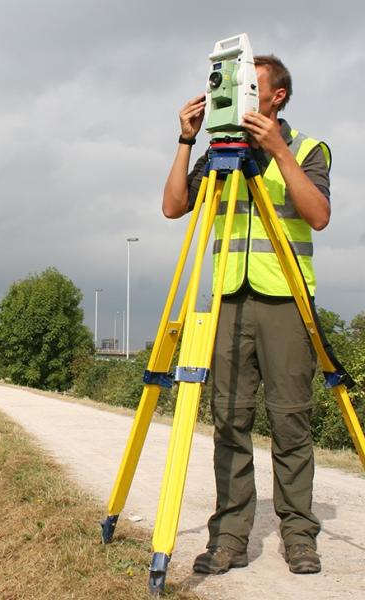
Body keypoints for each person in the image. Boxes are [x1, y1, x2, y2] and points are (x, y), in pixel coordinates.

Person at [162, 55, 331, 575]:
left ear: (278, 96)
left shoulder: (307, 148)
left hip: (286, 298)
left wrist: (278, 151)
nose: (241, 95)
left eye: (252, 87)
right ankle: (230, 537)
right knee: (230, 420)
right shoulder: (220, 151)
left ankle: (299, 535)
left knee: (290, 420)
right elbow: (173, 208)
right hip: (229, 300)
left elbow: (319, 216)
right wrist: (187, 140)